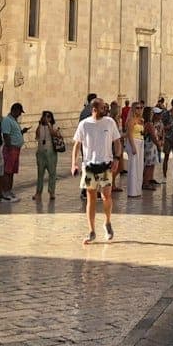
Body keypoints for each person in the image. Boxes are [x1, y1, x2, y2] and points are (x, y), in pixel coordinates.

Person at [70, 98, 122, 244]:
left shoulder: (110, 122)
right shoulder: (84, 124)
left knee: (106, 196)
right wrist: (74, 163)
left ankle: (107, 222)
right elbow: (77, 145)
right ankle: (91, 231)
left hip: (105, 165)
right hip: (89, 167)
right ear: (94, 109)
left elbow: (117, 142)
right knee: (91, 198)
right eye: (102, 108)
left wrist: (117, 159)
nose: (105, 110)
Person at [34, 110, 63, 201]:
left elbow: (55, 134)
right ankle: (38, 193)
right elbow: (37, 135)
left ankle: (51, 192)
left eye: (48, 116)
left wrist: (49, 125)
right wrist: (40, 124)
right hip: (41, 152)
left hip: (51, 152)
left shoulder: (54, 126)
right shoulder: (40, 126)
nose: (46, 118)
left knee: (52, 173)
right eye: (45, 116)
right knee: (40, 174)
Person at [0, 103, 25, 202]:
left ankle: (9, 191)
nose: (20, 114)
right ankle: (5, 193)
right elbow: (6, 134)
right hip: (11, 149)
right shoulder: (7, 120)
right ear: (15, 110)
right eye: (19, 112)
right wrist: (9, 147)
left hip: (16, 149)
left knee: (12, 172)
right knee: (7, 171)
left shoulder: (14, 121)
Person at [140, 106, 160, 191]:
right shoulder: (149, 124)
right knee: (149, 164)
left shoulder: (144, 123)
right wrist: (158, 145)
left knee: (149, 164)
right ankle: (146, 183)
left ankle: (147, 180)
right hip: (150, 146)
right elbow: (153, 137)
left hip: (147, 146)